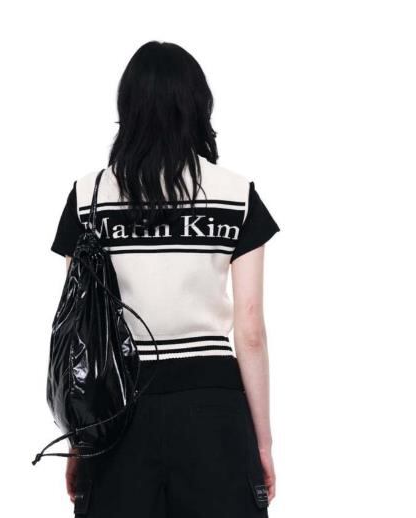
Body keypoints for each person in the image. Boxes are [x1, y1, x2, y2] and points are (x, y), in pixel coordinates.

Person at [50, 41, 280, 518]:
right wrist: (262, 444)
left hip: (117, 411)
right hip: (213, 407)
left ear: (127, 107)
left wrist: (79, 443)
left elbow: (78, 336)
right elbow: (250, 330)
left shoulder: (88, 197)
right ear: (197, 104)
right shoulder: (236, 194)